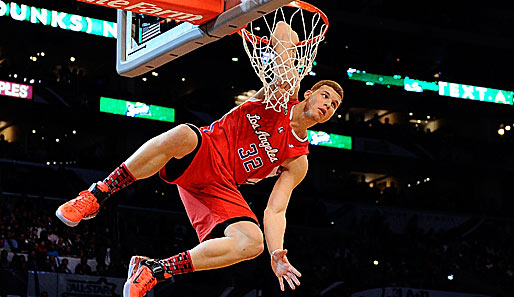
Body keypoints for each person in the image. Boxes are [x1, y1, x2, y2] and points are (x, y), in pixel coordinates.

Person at [55, 21, 343, 297]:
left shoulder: (299, 160)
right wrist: (289, 71)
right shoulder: (278, 95)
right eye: (325, 96)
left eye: (334, 105)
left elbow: (276, 211)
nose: (328, 105)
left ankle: (155, 269)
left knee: (252, 242)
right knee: (182, 132)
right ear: (309, 94)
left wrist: (276, 250)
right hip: (202, 151)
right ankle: (99, 193)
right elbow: (283, 29)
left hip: (221, 187)